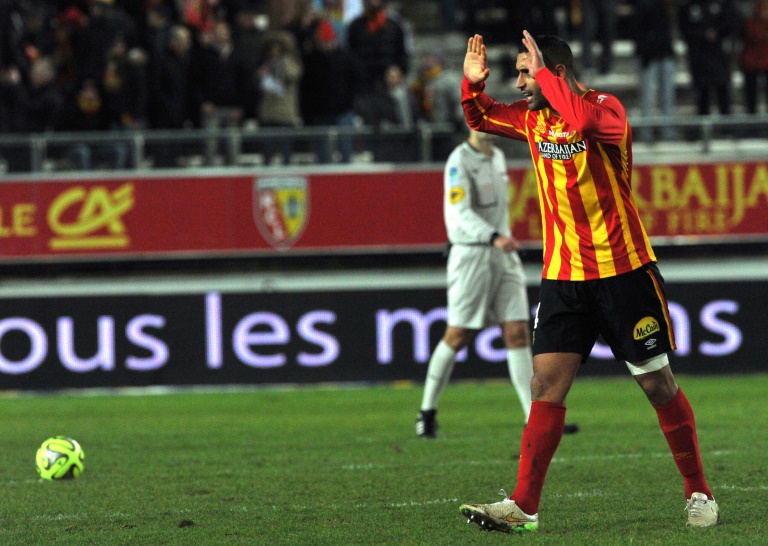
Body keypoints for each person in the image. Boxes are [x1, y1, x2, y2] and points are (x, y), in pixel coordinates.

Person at [457, 32, 719, 533]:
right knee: (544, 386)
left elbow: (576, 120)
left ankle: (699, 492)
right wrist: (472, 87)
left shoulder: (606, 110)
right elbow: (480, 117)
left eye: (525, 71)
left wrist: (552, 80)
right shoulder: (533, 118)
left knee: (658, 384)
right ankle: (524, 507)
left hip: (623, 273)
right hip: (564, 277)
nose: (518, 82)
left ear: (553, 71)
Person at [416, 127, 579, 439]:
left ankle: (534, 418)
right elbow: (459, 212)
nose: (485, 126)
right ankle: (427, 412)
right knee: (458, 333)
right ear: (467, 124)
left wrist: (500, 238)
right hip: (472, 254)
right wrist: (492, 236)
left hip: (503, 253)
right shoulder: (458, 162)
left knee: (517, 333)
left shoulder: (499, 157)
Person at [633, 0, 677, 141]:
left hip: (665, 52)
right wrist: (644, 51)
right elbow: (637, 30)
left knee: (667, 95)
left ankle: (668, 130)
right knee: (648, 96)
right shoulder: (642, 4)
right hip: (648, 56)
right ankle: (646, 132)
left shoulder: (667, 5)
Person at [740, 0, 768, 114]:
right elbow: (751, 35)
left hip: (766, 57)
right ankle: (751, 118)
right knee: (751, 93)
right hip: (751, 58)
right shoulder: (748, 20)